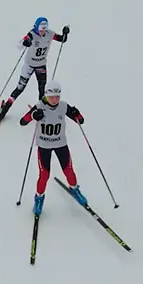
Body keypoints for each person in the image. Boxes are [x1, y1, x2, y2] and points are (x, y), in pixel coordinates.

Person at [18, 81, 87, 215]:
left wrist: (76, 113)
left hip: (61, 144)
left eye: (57, 96)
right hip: (44, 146)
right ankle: (39, 198)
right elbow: (23, 121)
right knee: (44, 175)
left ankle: (75, 189)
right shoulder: (39, 106)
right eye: (51, 96)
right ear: (46, 95)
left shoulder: (63, 106)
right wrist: (33, 115)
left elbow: (81, 120)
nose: (54, 99)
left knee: (69, 171)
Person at [0, 17, 69, 121]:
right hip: (29, 66)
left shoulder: (50, 34)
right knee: (20, 88)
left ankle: (41, 111)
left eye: (44, 29)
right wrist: (25, 43)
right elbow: (19, 45)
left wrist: (65, 33)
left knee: (42, 90)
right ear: (36, 27)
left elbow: (62, 39)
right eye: (40, 29)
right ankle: (5, 109)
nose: (42, 32)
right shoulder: (32, 34)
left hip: (41, 66)